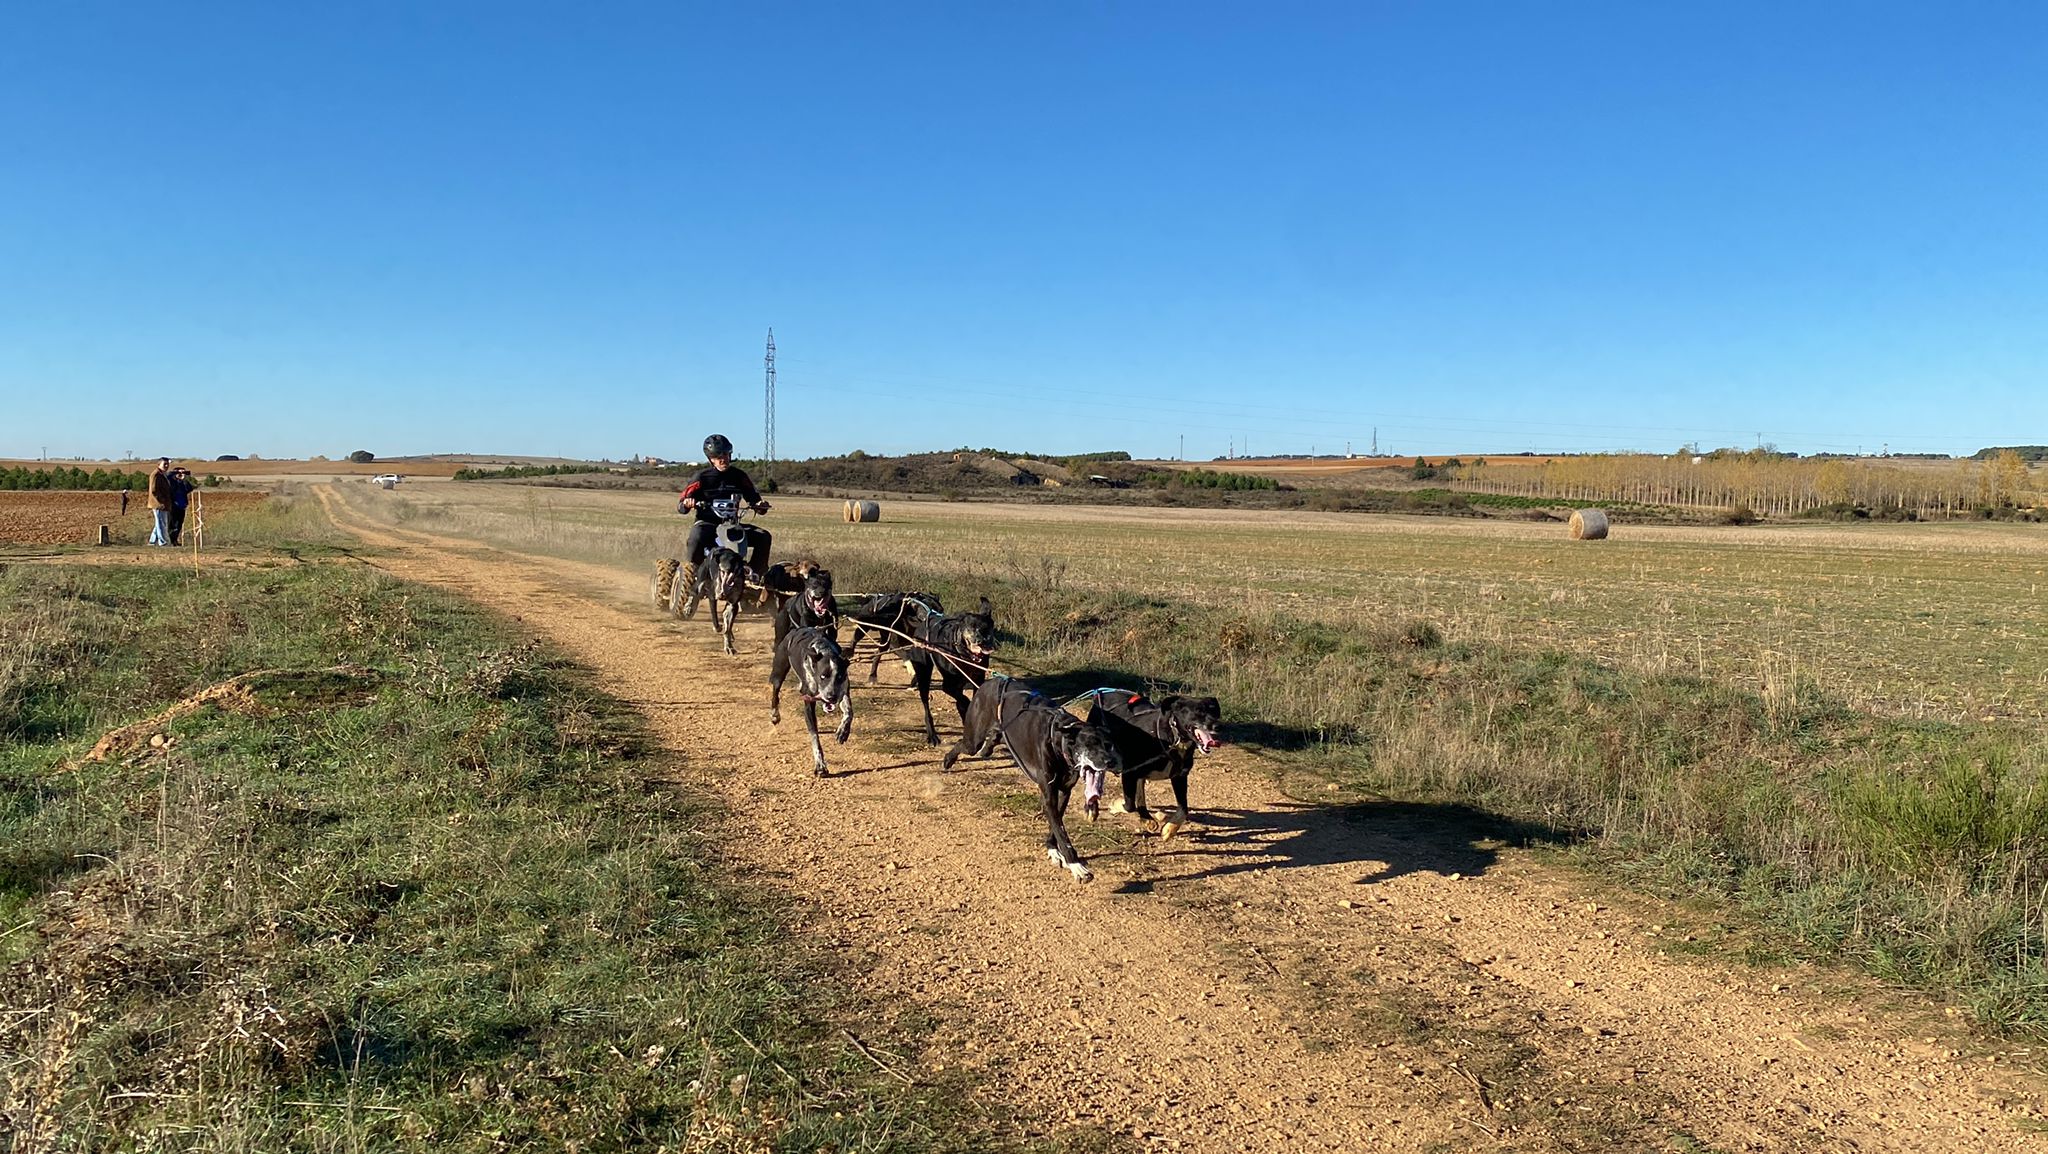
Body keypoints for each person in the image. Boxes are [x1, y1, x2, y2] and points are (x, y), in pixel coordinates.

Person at [678, 434, 771, 573]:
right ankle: (692, 574)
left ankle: (755, 574)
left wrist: (760, 505)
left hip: (732, 525)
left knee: (763, 536)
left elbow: (754, 498)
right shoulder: (701, 477)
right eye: (718, 456)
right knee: (696, 536)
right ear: (711, 459)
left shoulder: (739, 476)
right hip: (707, 524)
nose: (723, 459)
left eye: (726, 454)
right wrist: (687, 503)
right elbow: (681, 506)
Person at [145, 458, 174, 546]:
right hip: (158, 504)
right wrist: (161, 500)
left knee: (159, 522)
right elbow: (154, 490)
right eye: (164, 464)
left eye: (167, 464)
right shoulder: (156, 474)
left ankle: (152, 541)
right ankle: (163, 542)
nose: (166, 466)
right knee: (161, 523)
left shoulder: (162, 474)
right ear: (159, 465)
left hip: (163, 503)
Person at [167, 467, 195, 546]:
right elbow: (170, 486)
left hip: (182, 506)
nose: (180, 474)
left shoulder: (182, 482)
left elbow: (189, 488)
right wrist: (175, 475)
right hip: (173, 506)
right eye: (179, 473)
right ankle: (171, 541)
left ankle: (175, 540)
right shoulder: (171, 481)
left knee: (179, 524)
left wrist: (183, 479)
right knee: (172, 524)